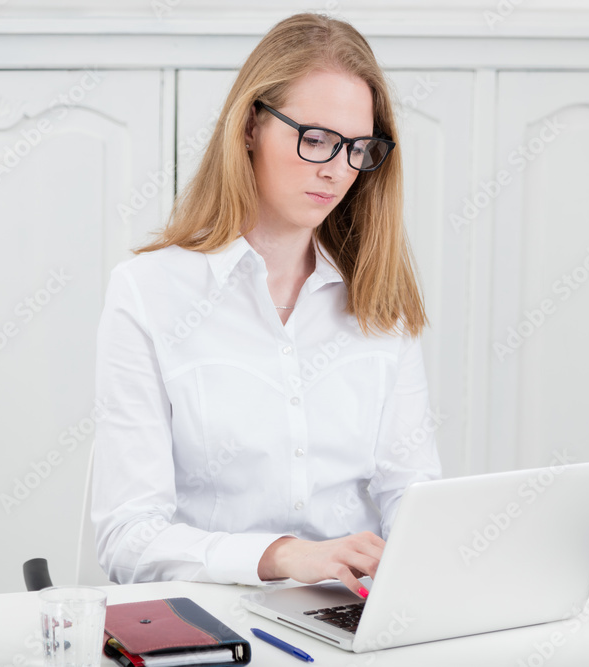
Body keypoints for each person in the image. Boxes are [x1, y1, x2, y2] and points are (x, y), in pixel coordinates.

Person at [90, 12, 441, 599]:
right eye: (317, 138)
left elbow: (412, 494)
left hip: (352, 616)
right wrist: (282, 557)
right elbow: (128, 539)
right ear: (251, 125)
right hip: (213, 621)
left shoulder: (380, 302)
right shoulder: (147, 293)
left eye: (358, 148)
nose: (336, 169)